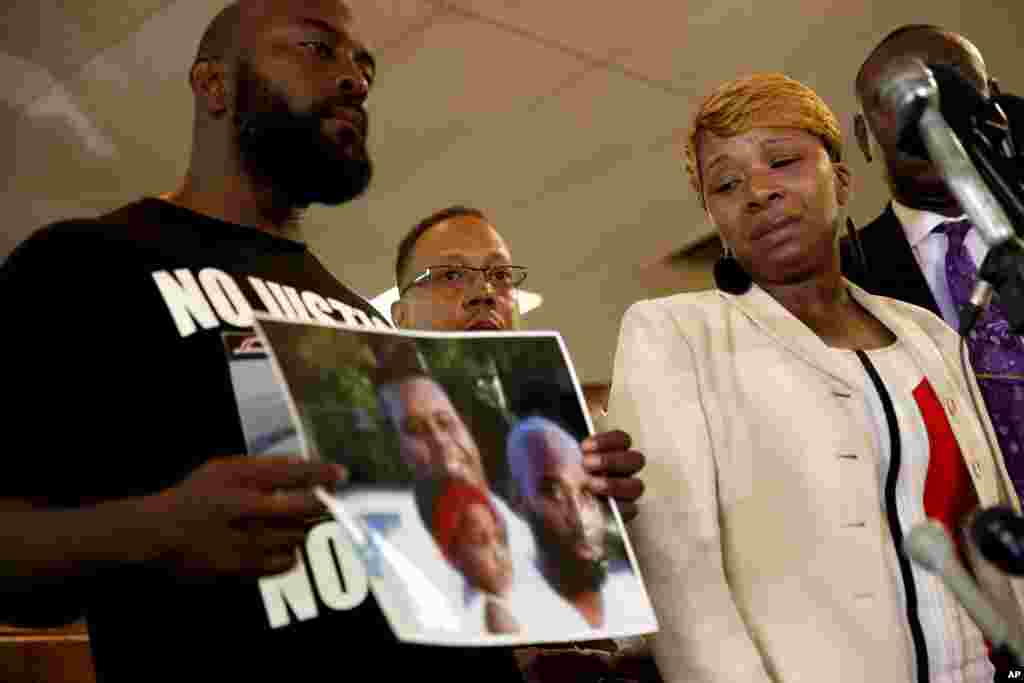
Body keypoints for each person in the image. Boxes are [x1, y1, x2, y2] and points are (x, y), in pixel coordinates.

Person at [0, 2, 639, 681]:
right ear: (214, 85)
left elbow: (428, 576)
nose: (355, 80)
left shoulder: (362, 319)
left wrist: (574, 504)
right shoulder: (85, 265)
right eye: (316, 49)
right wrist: (158, 527)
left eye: (363, 66)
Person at [608, 72, 1024, 682]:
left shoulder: (932, 337)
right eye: (726, 184)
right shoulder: (673, 336)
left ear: (843, 178)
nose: (758, 192)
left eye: (782, 161)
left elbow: (992, 530)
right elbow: (681, 580)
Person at [841, 24, 1024, 498]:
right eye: (898, 96)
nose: (926, 110)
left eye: (947, 85)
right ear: (863, 136)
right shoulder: (840, 282)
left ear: (993, 102)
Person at [506, 415, 655, 633]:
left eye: (586, 492)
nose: (577, 512)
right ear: (519, 503)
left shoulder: (631, 590)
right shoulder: (515, 612)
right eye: (554, 492)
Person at [428, 479, 519, 634]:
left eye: (500, 538)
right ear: (454, 557)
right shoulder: (481, 615)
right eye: (481, 542)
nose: (499, 554)